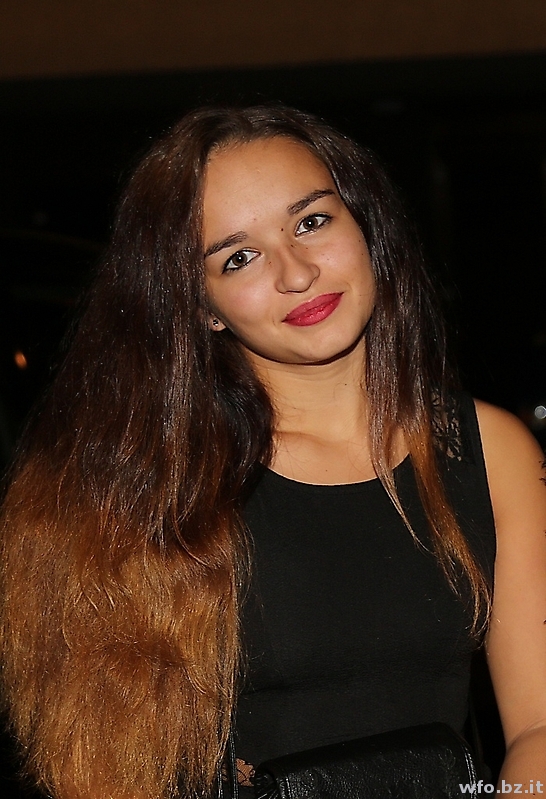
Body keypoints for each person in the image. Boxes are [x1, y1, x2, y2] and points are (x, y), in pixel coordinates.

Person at [0, 105, 545, 799]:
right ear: (203, 307)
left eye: (312, 221)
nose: (296, 273)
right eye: (239, 257)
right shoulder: (142, 490)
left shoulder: (487, 448)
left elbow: (538, 728)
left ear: (365, 225)